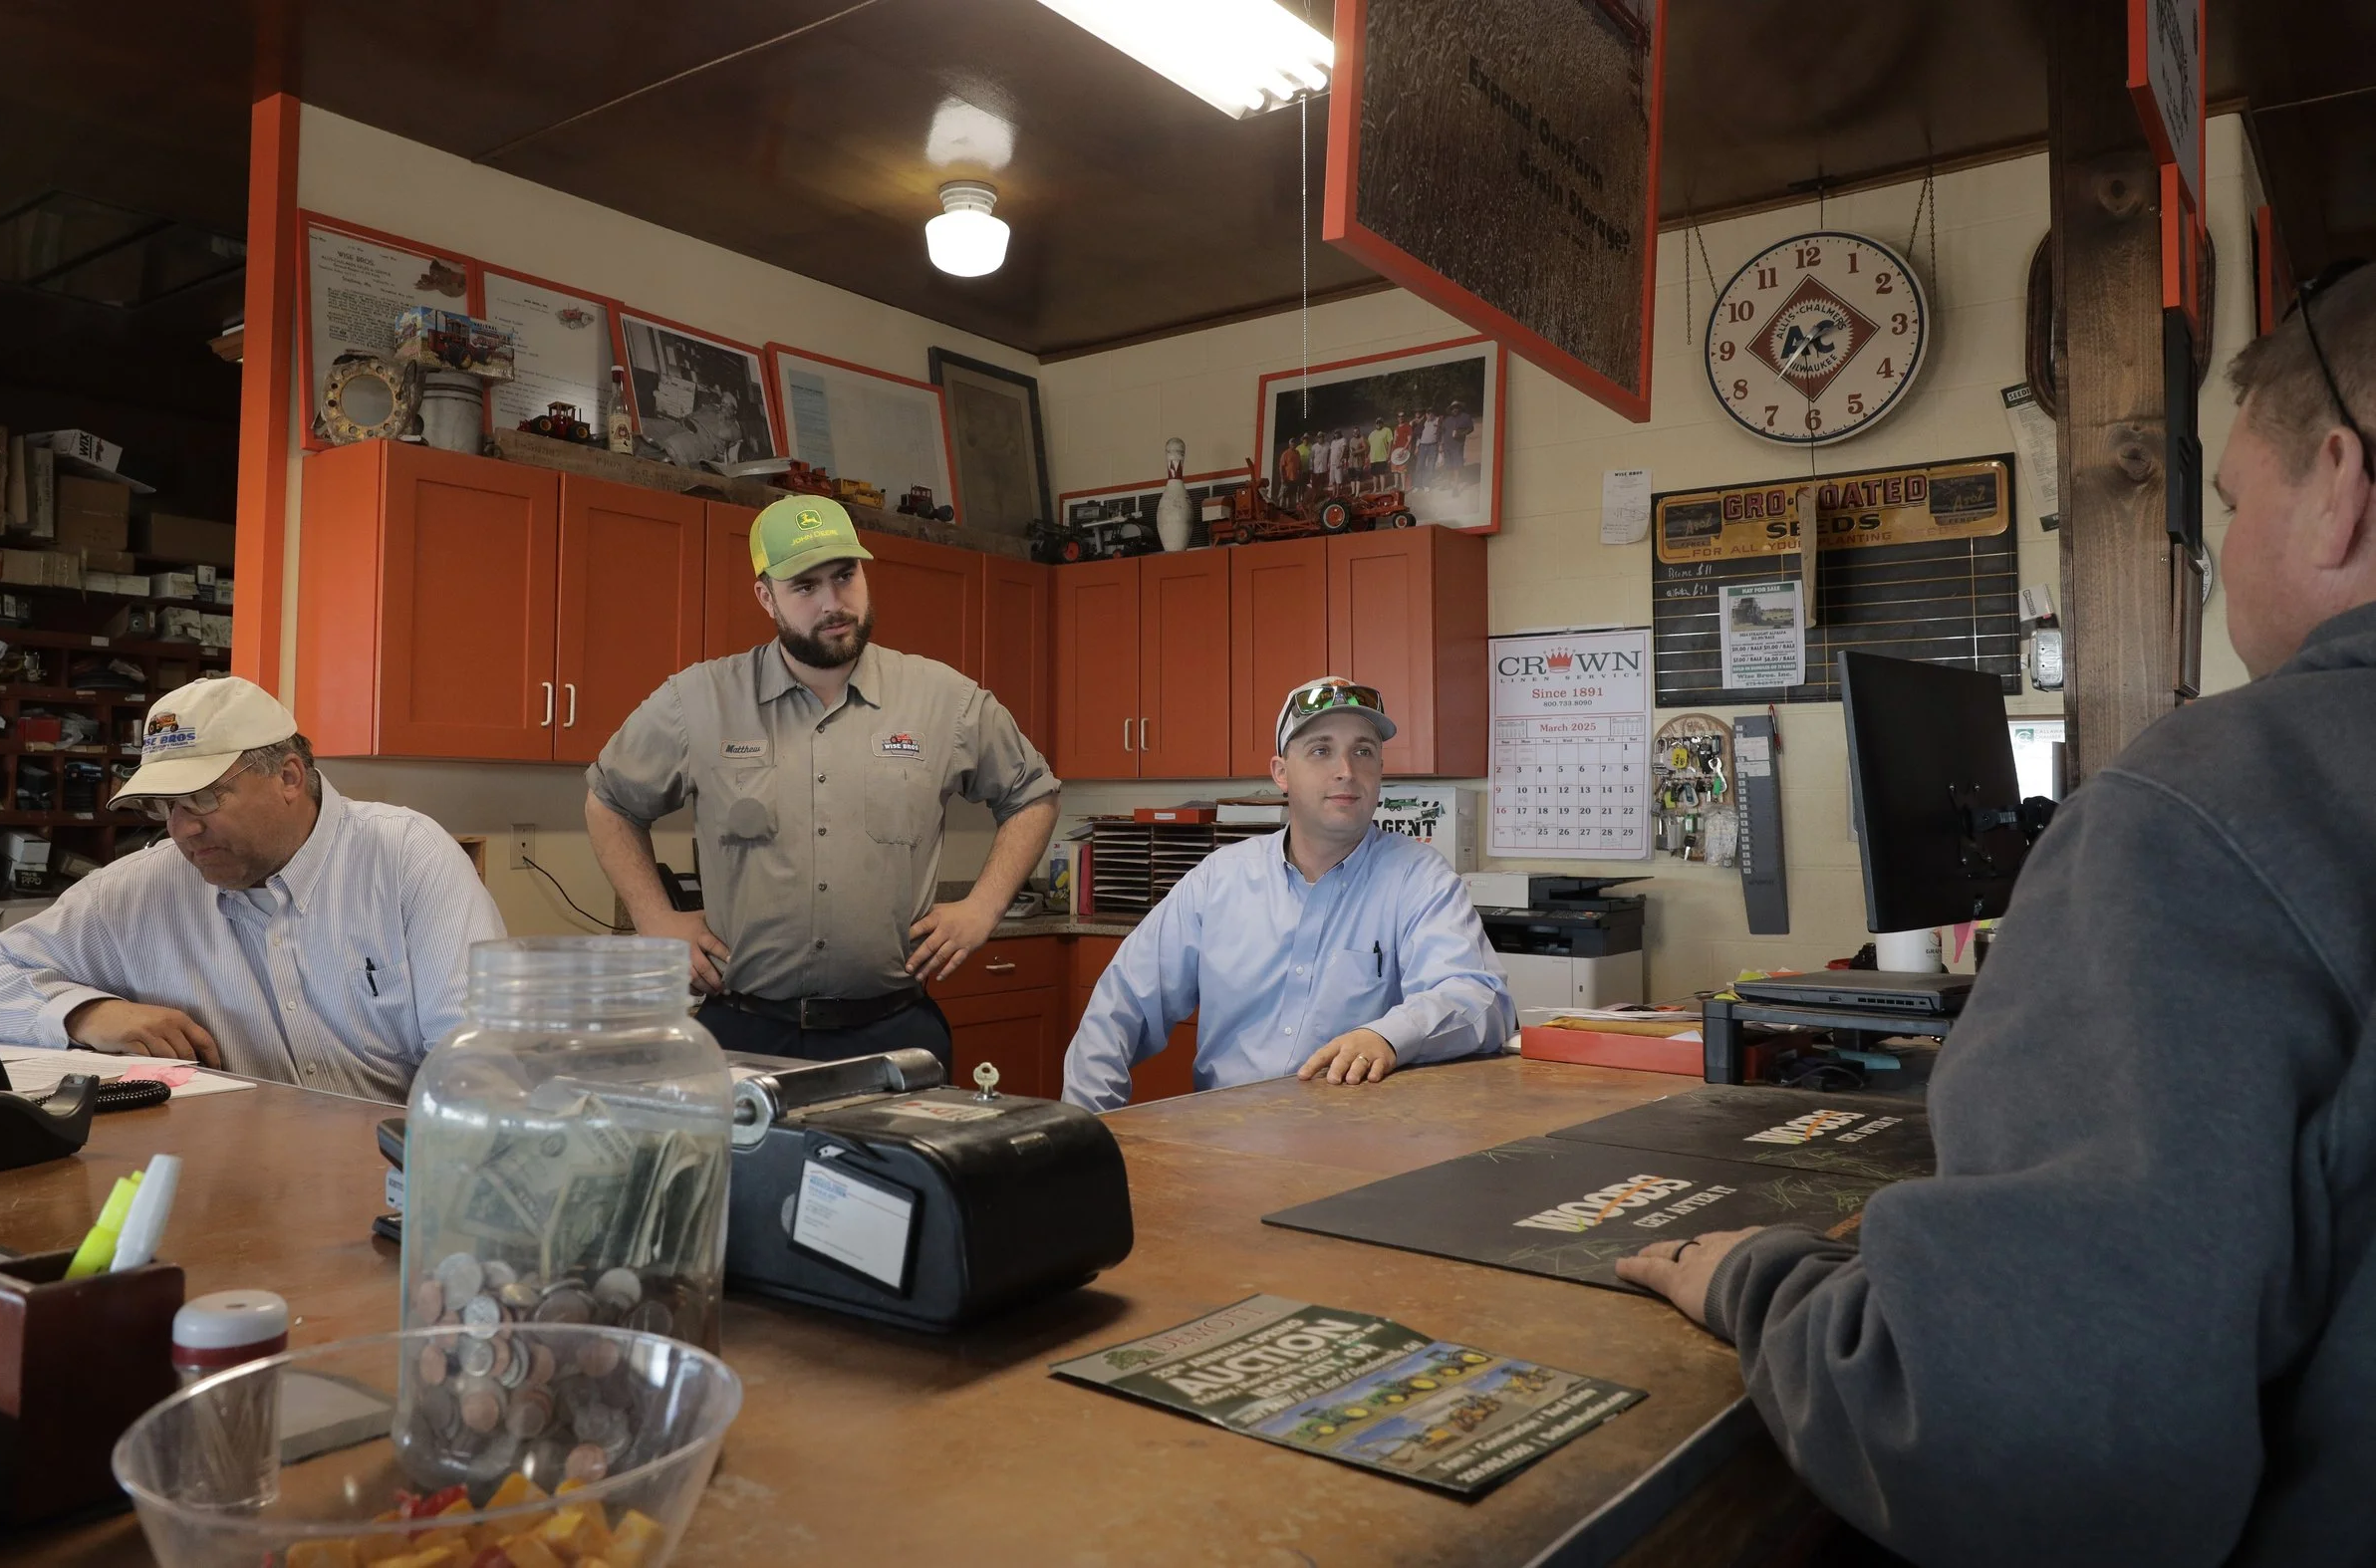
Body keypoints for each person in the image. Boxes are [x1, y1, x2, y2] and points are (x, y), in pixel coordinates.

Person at [1616, 261, 2376, 1566]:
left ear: (2340, 489)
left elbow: (2011, 1440)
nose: (2222, 556)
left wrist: (1758, 1277)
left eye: (2236, 503)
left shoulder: (2210, 804)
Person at [587, 495, 1060, 1069]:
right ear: (766, 597)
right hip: (742, 1033)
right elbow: (610, 801)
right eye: (805, 587)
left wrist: (983, 907)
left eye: (844, 575)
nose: (833, 603)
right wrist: (655, 919)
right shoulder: (699, 702)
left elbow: (1033, 794)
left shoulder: (945, 701)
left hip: (895, 1032)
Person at [0, 675, 506, 1101]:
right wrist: (86, 1014)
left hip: (393, 1164)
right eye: (165, 806)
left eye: (203, 798)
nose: (182, 829)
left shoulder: (406, 857)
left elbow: (477, 1057)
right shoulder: (138, 889)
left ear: (288, 777)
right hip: (221, 1168)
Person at [1061, 677, 1512, 1111]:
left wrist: (1389, 1036)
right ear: (1281, 773)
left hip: (1360, 1141)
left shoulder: (1419, 878)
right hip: (1223, 1137)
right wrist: (1084, 1132)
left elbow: (1480, 999)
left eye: (1363, 752)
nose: (1346, 771)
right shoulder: (1219, 880)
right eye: (1321, 750)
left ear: (1380, 770)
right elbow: (1119, 1008)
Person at [1366, 417, 1394, 492]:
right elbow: (1370, 447)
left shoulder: (1387, 430)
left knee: (1382, 474)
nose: (1378, 424)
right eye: (1377, 423)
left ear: (1382, 423)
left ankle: (1382, 489)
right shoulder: (1371, 434)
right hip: (1373, 458)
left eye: (1380, 422)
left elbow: (1390, 442)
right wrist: (1368, 457)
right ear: (1375, 424)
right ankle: (1375, 488)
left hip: (1382, 457)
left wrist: (1388, 454)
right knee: (1374, 474)